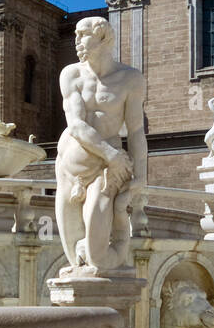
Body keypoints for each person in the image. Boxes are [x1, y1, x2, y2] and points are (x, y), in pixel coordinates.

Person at [54, 17, 147, 273]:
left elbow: (137, 131)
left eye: (82, 35)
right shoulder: (71, 75)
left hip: (107, 171)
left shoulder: (130, 79)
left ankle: (118, 213)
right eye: (74, 35)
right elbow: (75, 125)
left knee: (98, 258)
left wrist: (140, 175)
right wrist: (112, 155)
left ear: (103, 38)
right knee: (74, 257)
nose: (76, 42)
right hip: (70, 170)